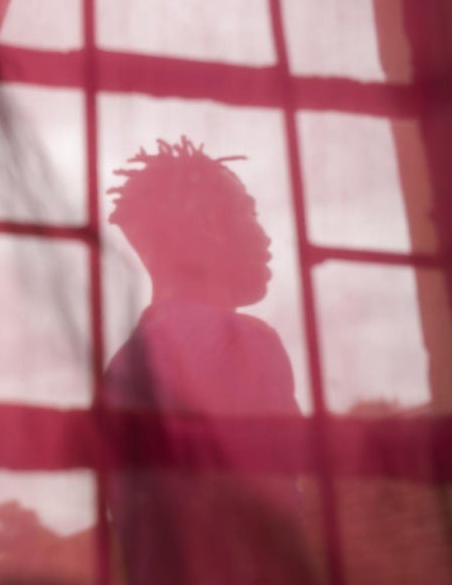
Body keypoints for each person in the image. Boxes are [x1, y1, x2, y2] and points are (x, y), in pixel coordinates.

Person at [104, 136, 315, 584]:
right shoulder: (244, 341)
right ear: (202, 228)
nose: (263, 236)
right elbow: (273, 517)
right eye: (248, 215)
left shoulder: (120, 367)